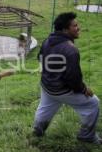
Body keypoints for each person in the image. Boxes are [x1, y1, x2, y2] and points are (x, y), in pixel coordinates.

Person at [33, 12, 101, 144]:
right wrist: (84, 89)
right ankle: (87, 136)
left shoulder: (47, 40)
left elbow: (40, 58)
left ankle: (38, 131)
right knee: (93, 103)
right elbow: (73, 80)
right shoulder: (71, 50)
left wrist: (50, 73)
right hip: (62, 90)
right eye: (75, 26)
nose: (78, 28)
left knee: (45, 109)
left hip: (47, 86)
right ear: (65, 29)